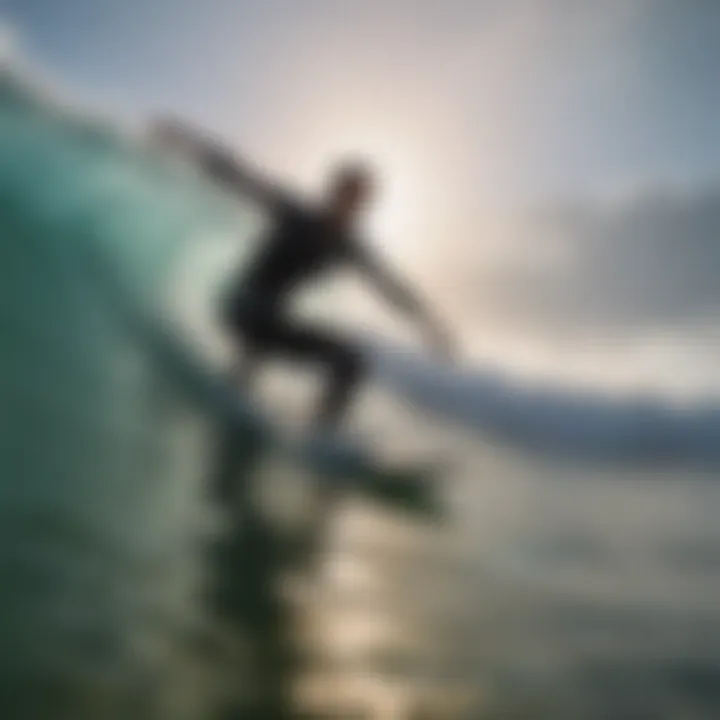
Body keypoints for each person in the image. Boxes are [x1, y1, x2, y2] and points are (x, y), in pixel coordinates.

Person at [152, 119, 453, 435]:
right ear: (332, 192)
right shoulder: (296, 212)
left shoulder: (349, 246)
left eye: (360, 201)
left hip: (272, 319)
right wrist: (183, 140)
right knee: (264, 320)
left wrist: (429, 324)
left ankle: (322, 434)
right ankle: (234, 388)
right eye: (347, 195)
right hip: (242, 306)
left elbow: (390, 287)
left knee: (351, 362)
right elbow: (239, 176)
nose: (351, 206)